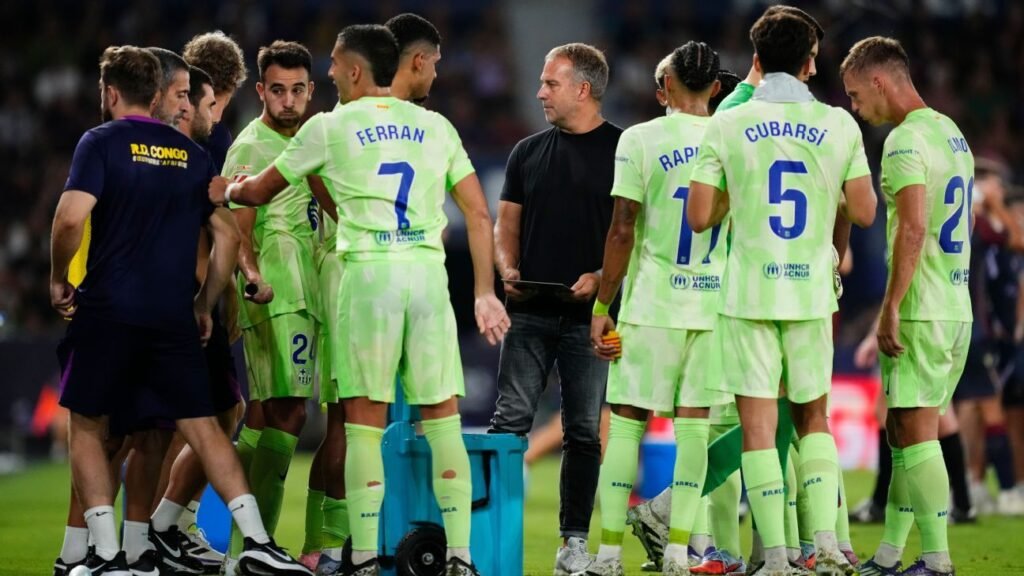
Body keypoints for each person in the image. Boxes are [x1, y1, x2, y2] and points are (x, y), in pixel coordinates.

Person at [208, 25, 510, 576]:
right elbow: (478, 212)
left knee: (363, 423)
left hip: (368, 279)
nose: (328, 76)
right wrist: (485, 292)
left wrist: (224, 190)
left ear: (353, 70)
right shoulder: (436, 126)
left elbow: (259, 190)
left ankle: (365, 557)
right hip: (427, 278)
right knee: (444, 423)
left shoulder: (330, 125)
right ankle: (462, 558)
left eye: (332, 67)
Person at [50, 45, 310, 576]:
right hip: (174, 318)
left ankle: (103, 555)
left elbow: (71, 218)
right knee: (204, 428)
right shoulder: (192, 155)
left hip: (109, 308)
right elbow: (226, 237)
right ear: (161, 96)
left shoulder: (100, 141)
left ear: (111, 92)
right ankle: (255, 540)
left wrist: (58, 278)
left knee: (92, 428)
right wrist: (205, 302)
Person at [688, 9, 877, 576]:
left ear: (756, 59)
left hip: (748, 293)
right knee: (813, 418)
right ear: (810, 63)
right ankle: (825, 546)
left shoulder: (727, 122)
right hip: (811, 293)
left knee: (757, 428)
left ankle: (773, 558)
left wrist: (739, 194)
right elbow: (864, 211)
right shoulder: (839, 124)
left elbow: (699, 216)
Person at [582, 40, 732, 576]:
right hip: (711, 308)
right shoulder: (732, 139)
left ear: (664, 86)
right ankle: (677, 552)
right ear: (717, 88)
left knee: (626, 426)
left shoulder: (640, 140)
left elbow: (622, 229)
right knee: (693, 432)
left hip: (651, 306)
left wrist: (603, 303)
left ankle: (606, 555)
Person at [307, 13, 448, 574]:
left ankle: (380, 541)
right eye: (434, 64)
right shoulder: (359, 119)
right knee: (353, 419)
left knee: (387, 420)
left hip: (383, 279)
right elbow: (313, 174)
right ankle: (333, 542)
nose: (436, 74)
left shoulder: (398, 121)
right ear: (415, 61)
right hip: (371, 276)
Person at [841, 36, 974, 576]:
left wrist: (890, 306)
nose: (855, 107)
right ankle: (890, 554)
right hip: (955, 302)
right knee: (900, 429)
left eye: (855, 95)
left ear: (879, 81)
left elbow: (914, 227)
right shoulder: (951, 133)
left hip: (922, 306)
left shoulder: (902, 141)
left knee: (917, 434)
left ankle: (937, 560)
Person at [490, 42, 621, 576]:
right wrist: (507, 268)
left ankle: (573, 545)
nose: (540, 91)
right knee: (508, 424)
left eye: (551, 83)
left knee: (585, 432)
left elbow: (636, 233)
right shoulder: (526, 152)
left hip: (592, 316)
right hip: (529, 309)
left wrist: (603, 279)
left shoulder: (624, 151)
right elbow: (506, 226)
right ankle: (490, 534)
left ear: (582, 89)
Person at [147, 31, 251, 574]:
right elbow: (211, 228)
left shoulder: (145, 137)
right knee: (210, 413)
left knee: (153, 424)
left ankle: (144, 533)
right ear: (233, 84)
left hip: (145, 289)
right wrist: (216, 292)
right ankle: (164, 530)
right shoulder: (211, 137)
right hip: (192, 293)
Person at [218, 40, 321, 575]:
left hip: (311, 290)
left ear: (311, 90)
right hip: (278, 293)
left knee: (261, 417)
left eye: (297, 90)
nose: (288, 100)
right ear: (260, 90)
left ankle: (227, 541)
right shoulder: (251, 146)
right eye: (277, 90)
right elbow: (238, 227)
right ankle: (257, 547)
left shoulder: (313, 137)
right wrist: (253, 276)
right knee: (290, 411)